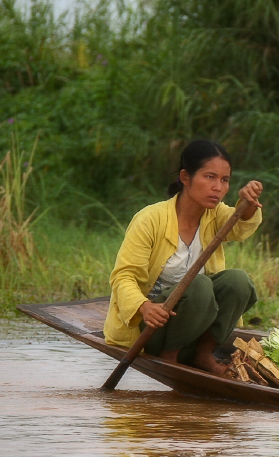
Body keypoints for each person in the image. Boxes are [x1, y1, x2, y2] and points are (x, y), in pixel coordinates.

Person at [103, 140, 264, 376]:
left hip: (196, 328)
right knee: (199, 284)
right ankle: (170, 355)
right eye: (209, 177)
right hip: (152, 329)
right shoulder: (150, 219)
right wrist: (144, 307)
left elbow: (239, 225)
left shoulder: (215, 214)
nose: (218, 187)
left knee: (238, 281)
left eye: (224, 180)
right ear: (185, 178)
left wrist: (248, 203)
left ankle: (203, 353)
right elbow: (123, 276)